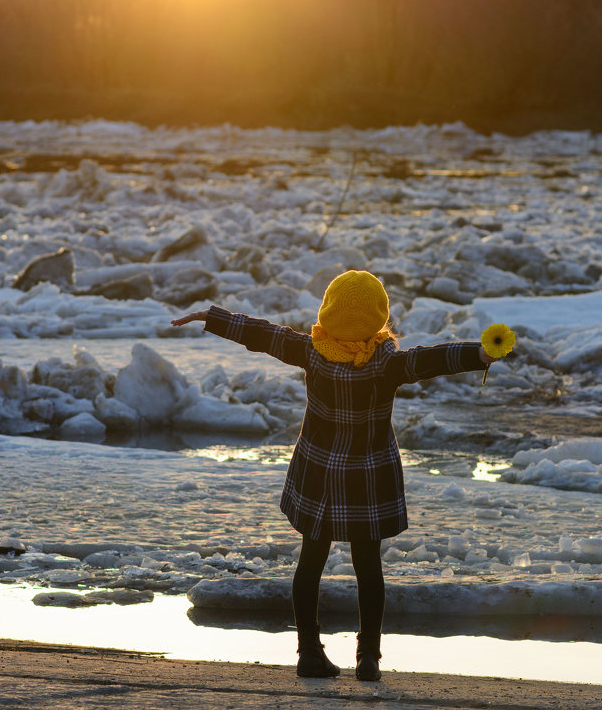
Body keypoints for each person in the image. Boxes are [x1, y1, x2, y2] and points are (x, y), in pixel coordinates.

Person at [171, 269, 501, 682]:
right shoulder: (388, 365)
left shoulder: (311, 352)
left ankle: (309, 652)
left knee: (310, 561)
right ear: (378, 318)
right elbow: (433, 359)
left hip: (319, 474)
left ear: (327, 313)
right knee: (368, 566)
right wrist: (481, 354)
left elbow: (264, 334)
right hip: (369, 477)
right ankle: (368, 659)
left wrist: (213, 317)